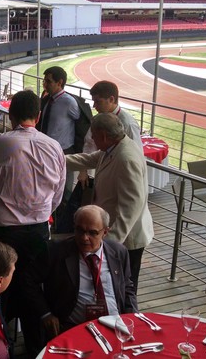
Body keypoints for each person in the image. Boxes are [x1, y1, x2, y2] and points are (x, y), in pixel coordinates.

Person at [0, 90, 65, 348]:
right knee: (32, 294)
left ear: (11, 115)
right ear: (38, 117)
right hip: (38, 233)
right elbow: (57, 198)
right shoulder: (55, 147)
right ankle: (34, 350)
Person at [23, 205, 137, 353]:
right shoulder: (55, 252)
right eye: (80, 230)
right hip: (72, 327)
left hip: (115, 326)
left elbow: (128, 287)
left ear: (105, 232)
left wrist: (133, 318)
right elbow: (27, 280)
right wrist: (46, 313)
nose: (84, 238)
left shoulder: (119, 252)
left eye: (92, 233)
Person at [65, 113, 153, 293]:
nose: (91, 139)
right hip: (111, 234)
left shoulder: (126, 157)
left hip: (126, 240)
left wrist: (110, 245)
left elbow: (131, 207)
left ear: (104, 136)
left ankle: (126, 320)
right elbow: (87, 159)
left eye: (94, 136)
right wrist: (53, 158)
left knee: (124, 288)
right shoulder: (113, 148)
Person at [38, 66, 81, 204]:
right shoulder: (46, 100)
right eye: (44, 81)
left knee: (63, 191)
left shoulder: (69, 102)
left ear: (59, 82)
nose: (45, 84)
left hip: (63, 152)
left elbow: (80, 124)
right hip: (45, 150)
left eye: (48, 81)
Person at [83, 80, 142, 154]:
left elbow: (136, 153)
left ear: (111, 99)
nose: (94, 106)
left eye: (98, 101)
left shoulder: (128, 124)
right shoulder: (99, 118)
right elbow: (89, 143)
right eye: (94, 101)